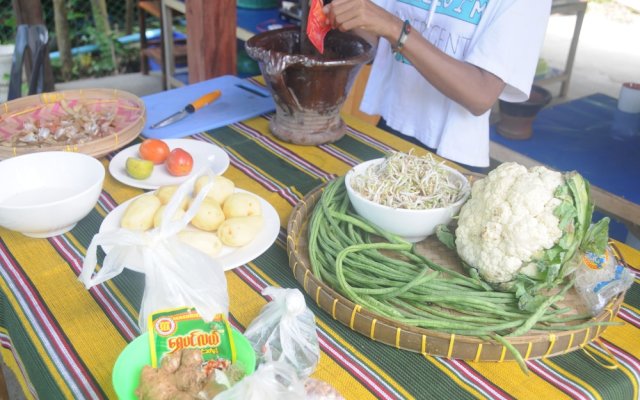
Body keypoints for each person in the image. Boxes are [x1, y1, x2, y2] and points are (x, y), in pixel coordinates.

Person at [323, 0, 552, 169]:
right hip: (391, 128)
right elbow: (371, 41)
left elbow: (481, 94)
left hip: (451, 154)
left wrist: (396, 29)